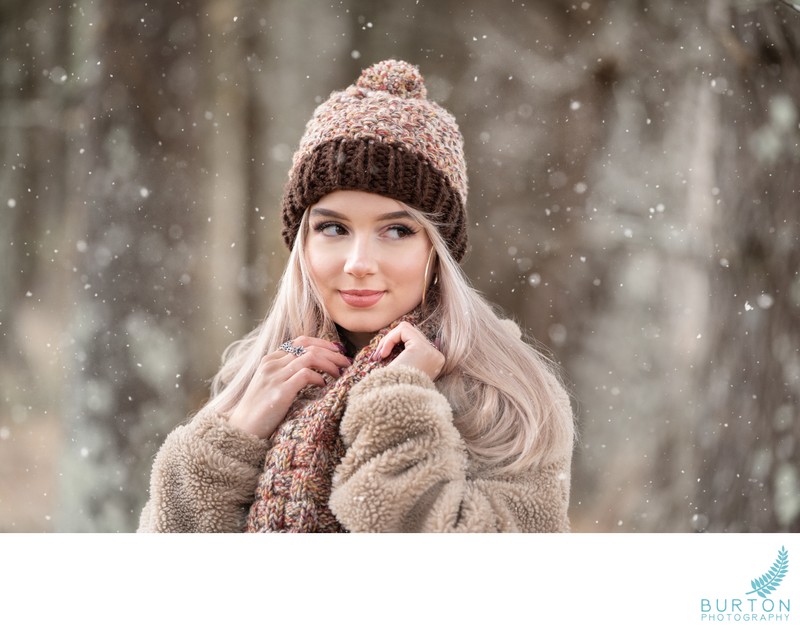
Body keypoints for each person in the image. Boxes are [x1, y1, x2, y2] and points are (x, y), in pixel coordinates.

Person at [137, 59, 575, 533]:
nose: (359, 262)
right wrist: (233, 436)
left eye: (396, 230)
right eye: (333, 227)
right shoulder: (254, 374)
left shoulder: (504, 397)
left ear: (438, 249)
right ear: (302, 242)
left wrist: (397, 404)